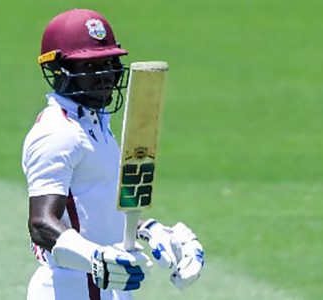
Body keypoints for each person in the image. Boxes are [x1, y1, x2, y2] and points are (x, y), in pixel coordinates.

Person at [22, 8, 204, 300]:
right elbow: (41, 224)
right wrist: (97, 257)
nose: (106, 76)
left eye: (109, 63)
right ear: (60, 70)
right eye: (91, 67)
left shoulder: (97, 125)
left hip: (110, 289)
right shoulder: (56, 132)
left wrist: (150, 229)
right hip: (70, 290)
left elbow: (96, 210)